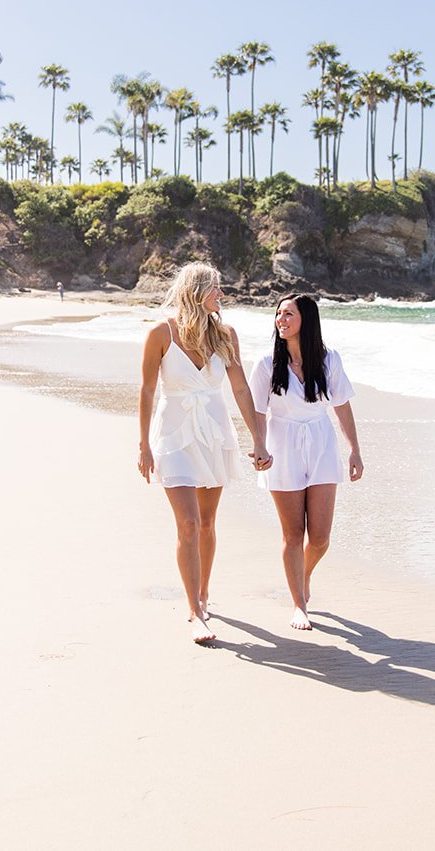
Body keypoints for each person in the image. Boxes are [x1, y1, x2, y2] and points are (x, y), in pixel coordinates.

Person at [138, 262, 271, 643]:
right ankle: (194, 611)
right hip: (174, 435)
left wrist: (258, 440)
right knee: (189, 524)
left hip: (213, 434)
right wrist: (143, 443)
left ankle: (203, 594)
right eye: (216, 288)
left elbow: (241, 389)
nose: (222, 295)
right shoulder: (160, 333)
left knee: (208, 524)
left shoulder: (225, 334)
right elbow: (147, 390)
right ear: (196, 290)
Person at [248, 294, 363, 630]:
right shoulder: (266, 364)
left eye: (288, 314)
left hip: (322, 445)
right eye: (278, 314)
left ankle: (303, 573)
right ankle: (299, 603)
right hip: (281, 446)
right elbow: (256, 411)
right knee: (293, 534)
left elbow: (341, 405)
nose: (281, 319)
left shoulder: (329, 361)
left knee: (321, 537)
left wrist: (354, 449)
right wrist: (258, 446)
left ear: (306, 320)